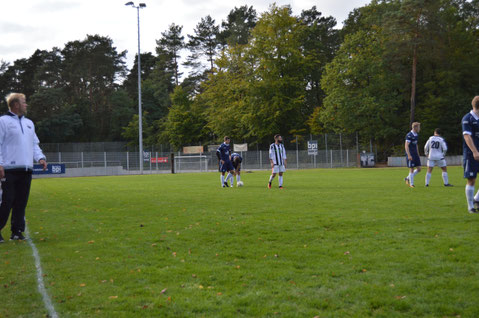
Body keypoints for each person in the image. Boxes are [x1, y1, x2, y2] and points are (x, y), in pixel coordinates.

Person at [0, 93, 47, 242]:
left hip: (26, 169)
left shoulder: (29, 123)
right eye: (24, 102)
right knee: (6, 201)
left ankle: (17, 231)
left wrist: (40, 158)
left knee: (21, 202)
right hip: (8, 169)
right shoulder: (3, 121)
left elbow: (34, 144)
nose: (26, 105)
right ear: (15, 105)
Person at [462, 96, 479, 213]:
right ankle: (470, 207)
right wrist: (474, 151)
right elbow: (467, 136)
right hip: (471, 154)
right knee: (471, 179)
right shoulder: (467, 118)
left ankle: (477, 199)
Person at [404, 122, 421, 188]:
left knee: (419, 169)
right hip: (411, 154)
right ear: (415, 127)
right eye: (419, 127)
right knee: (411, 168)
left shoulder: (416, 135)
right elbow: (406, 146)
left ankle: (407, 178)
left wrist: (418, 153)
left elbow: (416, 144)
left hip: (415, 154)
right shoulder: (409, 135)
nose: (419, 129)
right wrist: (409, 155)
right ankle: (411, 184)